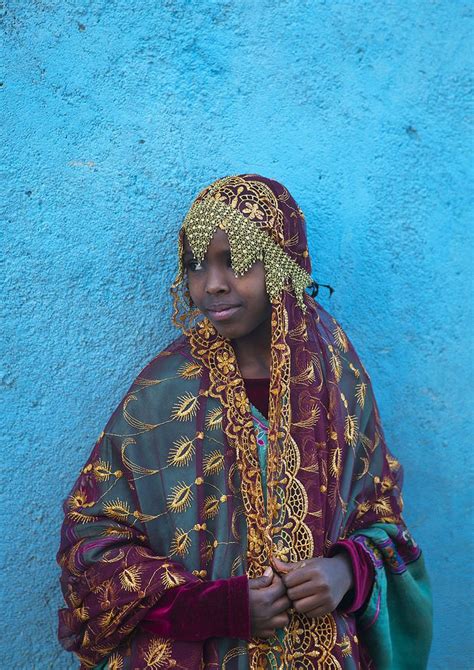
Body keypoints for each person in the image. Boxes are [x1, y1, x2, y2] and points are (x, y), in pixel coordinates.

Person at [57, 174, 432, 669]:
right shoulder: (164, 394)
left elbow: (382, 519)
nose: (213, 284)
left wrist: (346, 571)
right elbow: (92, 538)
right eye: (196, 266)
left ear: (282, 266)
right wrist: (218, 607)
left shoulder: (337, 379)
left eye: (236, 262)